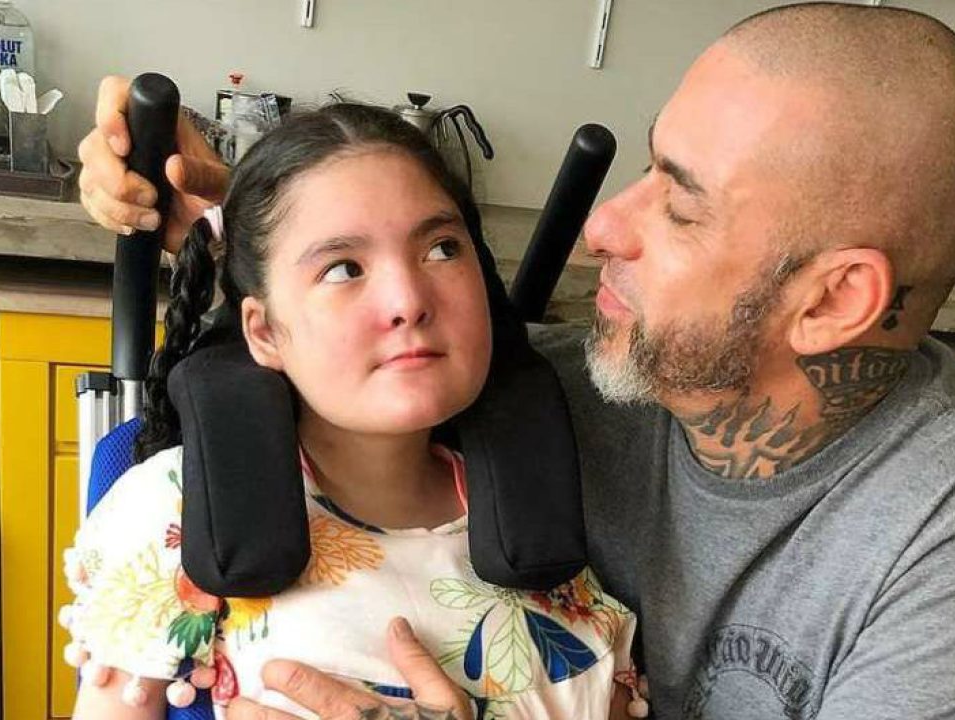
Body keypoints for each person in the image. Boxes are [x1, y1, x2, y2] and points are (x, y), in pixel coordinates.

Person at [75, 5, 955, 718]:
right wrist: (237, 213)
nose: (605, 226)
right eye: (646, 164)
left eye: (680, 204)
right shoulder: (553, 383)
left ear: (831, 301)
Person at [63, 102, 640, 720]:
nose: (407, 300)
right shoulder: (170, 513)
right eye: (343, 268)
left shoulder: (578, 508)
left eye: (442, 249)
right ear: (263, 332)